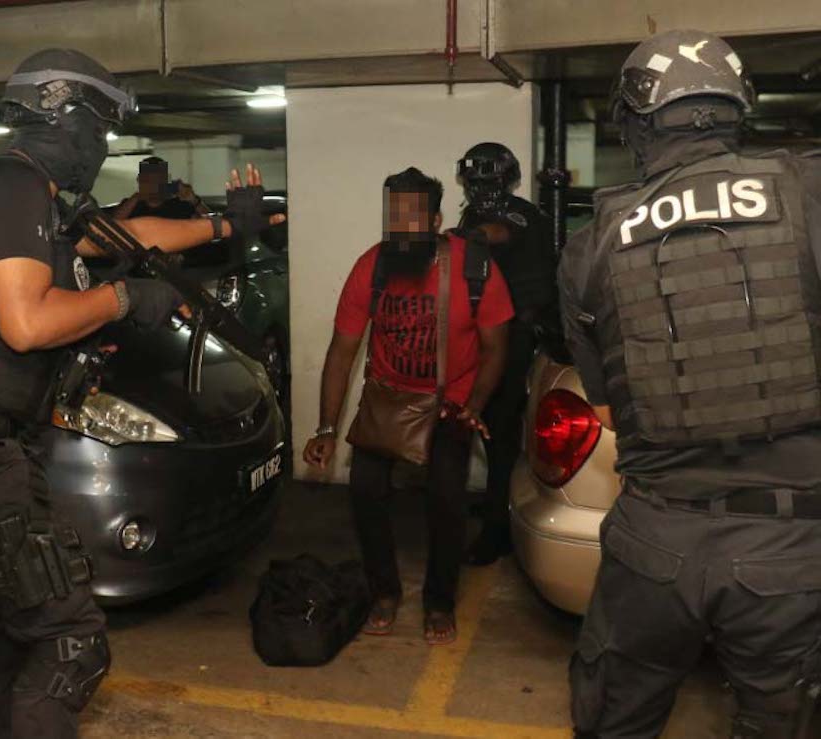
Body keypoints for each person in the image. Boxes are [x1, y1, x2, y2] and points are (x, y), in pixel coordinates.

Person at [0, 48, 281, 739]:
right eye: (99, 132)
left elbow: (126, 234)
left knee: (18, 628)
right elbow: (28, 321)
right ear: (63, 117)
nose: (101, 149)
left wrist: (227, 226)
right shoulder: (11, 186)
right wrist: (123, 297)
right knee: (71, 642)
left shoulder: (21, 193)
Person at [560, 29, 821, 738]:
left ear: (637, 123)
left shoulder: (593, 244)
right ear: (738, 106)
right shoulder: (807, 194)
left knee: (617, 716)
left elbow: (610, 407)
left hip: (656, 543)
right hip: (792, 548)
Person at [303, 167, 512, 646]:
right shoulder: (372, 266)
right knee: (365, 490)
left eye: (412, 217)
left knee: (446, 499)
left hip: (449, 400)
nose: (400, 227)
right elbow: (342, 352)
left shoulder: (472, 267)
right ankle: (384, 592)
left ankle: (439, 601)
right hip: (388, 398)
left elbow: (497, 347)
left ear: (436, 220)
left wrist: (474, 404)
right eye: (393, 217)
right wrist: (326, 428)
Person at [454, 142, 557, 566]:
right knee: (482, 426)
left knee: (498, 430)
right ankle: (498, 504)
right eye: (474, 181)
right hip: (480, 336)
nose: (480, 190)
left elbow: (502, 233)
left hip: (514, 338)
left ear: (505, 180)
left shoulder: (522, 214)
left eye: (488, 181)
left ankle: (498, 529)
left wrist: (461, 236)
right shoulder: (472, 214)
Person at [113, 156, 209, 220]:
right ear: (139, 180)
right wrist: (136, 197)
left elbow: (211, 226)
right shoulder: (131, 206)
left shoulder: (179, 206)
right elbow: (113, 226)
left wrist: (194, 200)